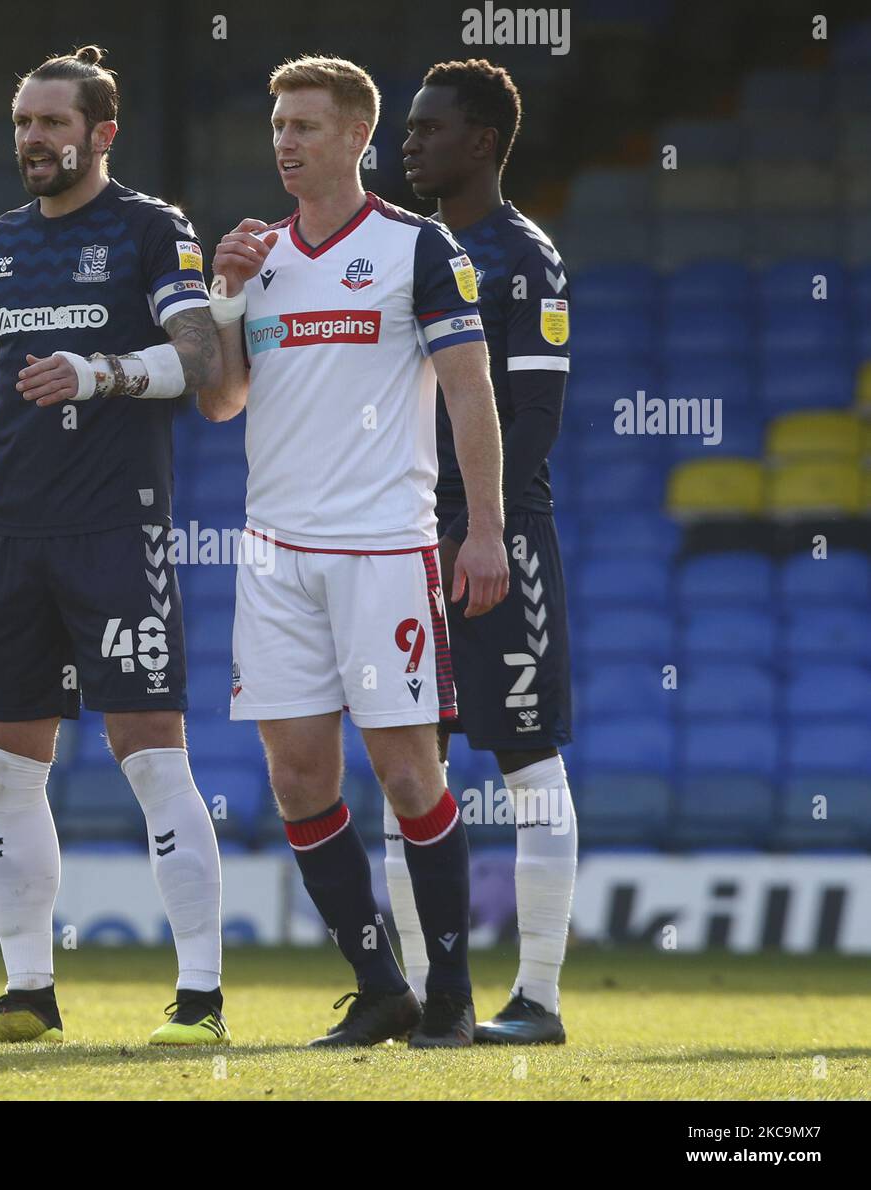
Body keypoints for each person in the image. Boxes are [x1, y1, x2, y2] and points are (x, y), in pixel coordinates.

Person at [0, 46, 229, 1047]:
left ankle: (199, 1000)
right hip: (15, 533)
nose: (33, 138)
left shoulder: (149, 228)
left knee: (152, 761)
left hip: (118, 526)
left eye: (51, 123)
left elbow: (202, 361)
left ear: (100, 132)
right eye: (23, 122)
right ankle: (27, 992)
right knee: (5, 768)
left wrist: (98, 371)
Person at [198, 55, 509, 1048]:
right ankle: (380, 983)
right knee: (297, 777)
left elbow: (469, 390)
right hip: (274, 553)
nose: (285, 142)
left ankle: (452, 992)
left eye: (305, 126)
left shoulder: (417, 247)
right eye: (277, 124)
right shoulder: (260, 257)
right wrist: (222, 295)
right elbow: (219, 400)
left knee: (408, 774)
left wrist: (489, 525)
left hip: (383, 550)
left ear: (355, 138)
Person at [395, 58, 576, 1045]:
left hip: (494, 538)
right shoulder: (398, 250)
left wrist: (483, 531)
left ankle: (538, 995)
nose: (408, 141)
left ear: (482, 142)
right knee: (403, 754)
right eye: (408, 126)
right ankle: (428, 993)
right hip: (398, 538)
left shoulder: (524, 257)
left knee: (525, 757)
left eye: (428, 127)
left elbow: (533, 419)